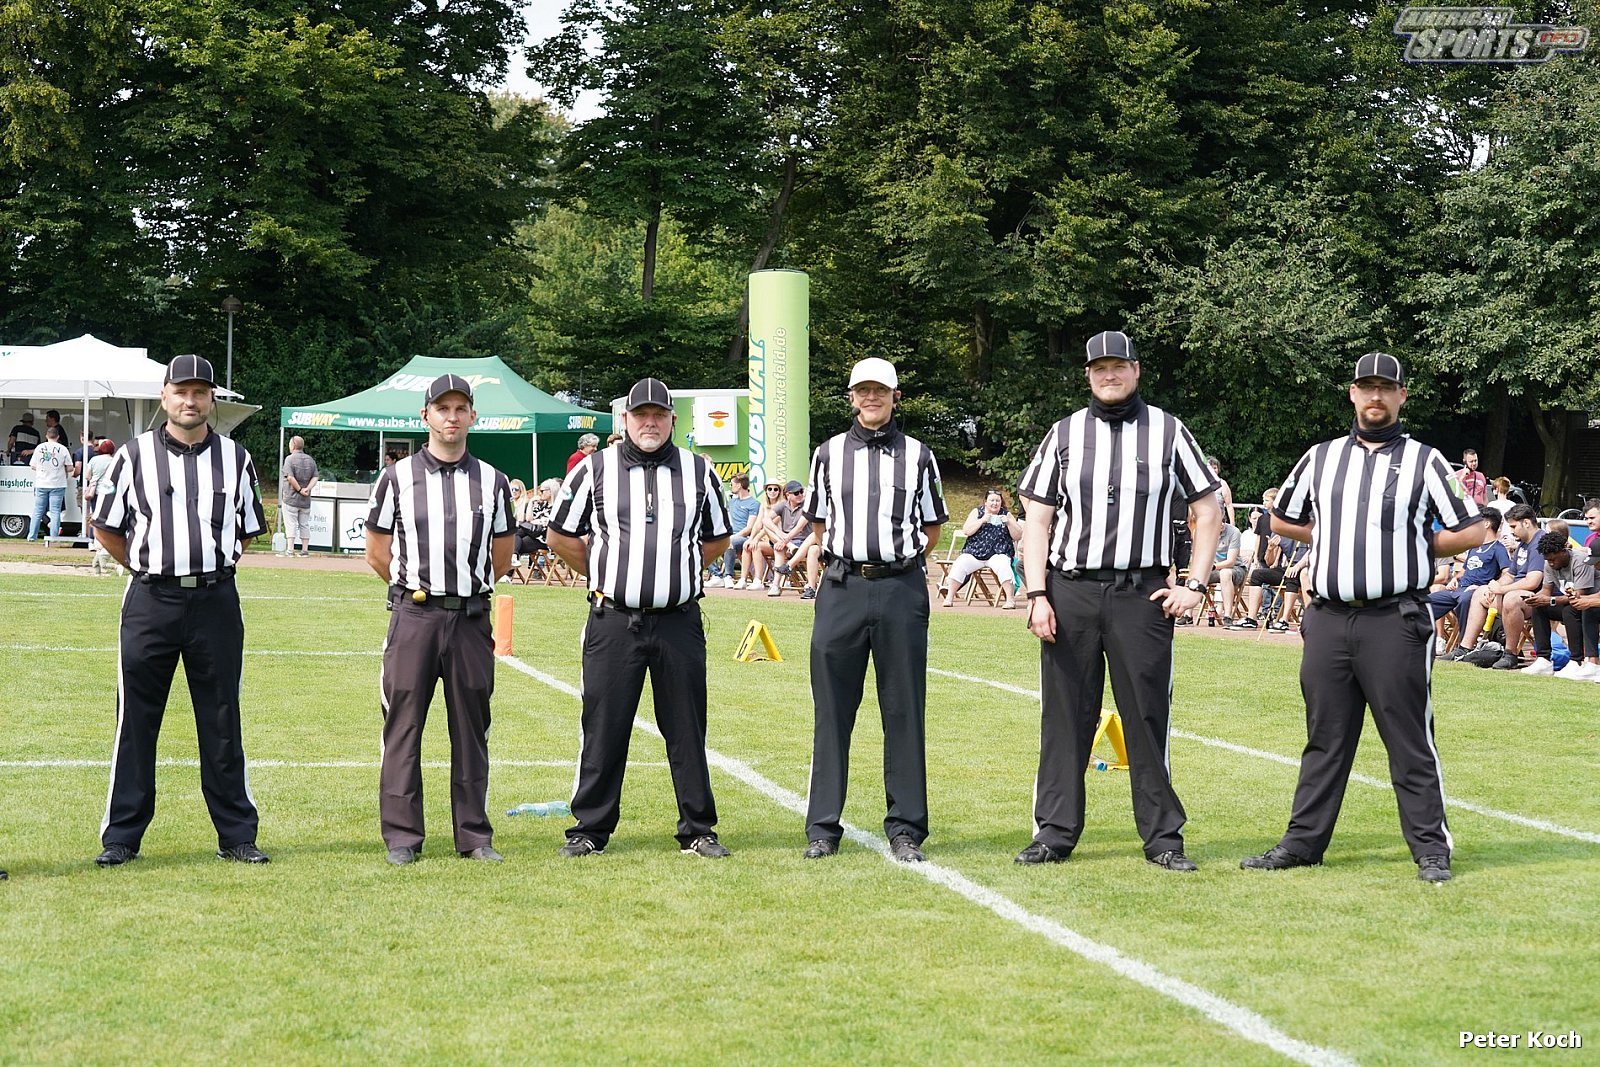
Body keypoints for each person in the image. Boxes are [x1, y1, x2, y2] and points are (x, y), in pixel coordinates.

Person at [1241, 352, 1484, 883]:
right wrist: (1333, 537)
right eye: (1366, 388)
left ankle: (1430, 849)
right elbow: (1282, 519)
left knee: (1408, 737)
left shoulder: (1425, 459)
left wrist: (1417, 545)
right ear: (1352, 393)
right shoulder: (1321, 457)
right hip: (1328, 618)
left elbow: (1471, 528)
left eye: (1386, 389)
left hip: (1394, 619)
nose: (1375, 397)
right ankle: (1303, 844)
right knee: (1324, 737)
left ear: (1401, 396)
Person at [1016, 330, 1220, 871]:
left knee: (1147, 716)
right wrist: (1036, 593)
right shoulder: (1062, 435)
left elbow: (1208, 508)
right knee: (1064, 716)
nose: (1110, 375)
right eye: (1100, 367)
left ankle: (1162, 838)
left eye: (1119, 366)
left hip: (1141, 592)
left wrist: (1194, 585)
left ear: (1137, 370)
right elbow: (1037, 519)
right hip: (1071, 588)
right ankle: (1054, 832)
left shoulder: (1170, 432)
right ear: (1088, 374)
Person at [90, 354, 270, 867]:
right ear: (164, 395)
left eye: (200, 392)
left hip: (215, 600)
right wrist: (151, 570)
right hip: (151, 599)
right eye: (180, 391)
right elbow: (107, 528)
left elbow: (246, 531)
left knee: (221, 717)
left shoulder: (236, 458)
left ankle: (237, 834)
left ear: (213, 399)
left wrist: (210, 569)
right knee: (137, 720)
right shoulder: (133, 456)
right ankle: (121, 837)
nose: (190, 401)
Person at [547, 377, 733, 859]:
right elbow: (561, 536)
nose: (649, 423)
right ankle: (590, 827)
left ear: (673, 419)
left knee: (687, 725)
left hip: (678, 620)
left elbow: (716, 539)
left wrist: (676, 572)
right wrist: (609, 573)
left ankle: (698, 828)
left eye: (659, 415)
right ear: (624, 420)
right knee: (604, 723)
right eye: (639, 415)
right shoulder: (595, 469)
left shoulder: (698, 471)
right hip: (614, 618)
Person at [800, 357, 948, 862]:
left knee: (904, 709)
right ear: (851, 397)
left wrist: (894, 562)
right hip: (842, 586)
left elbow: (931, 529)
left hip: (900, 588)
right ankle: (822, 826)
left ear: (894, 396)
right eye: (862, 391)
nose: (870, 398)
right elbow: (819, 524)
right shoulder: (827, 453)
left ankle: (906, 828)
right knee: (832, 711)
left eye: (879, 391)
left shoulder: (920, 455)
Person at [364, 374, 514, 865]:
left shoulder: (492, 480)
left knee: (471, 727)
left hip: (470, 619)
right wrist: (417, 589)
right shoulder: (397, 477)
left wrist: (462, 589)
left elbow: (502, 555)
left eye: (460, 408)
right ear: (425, 415)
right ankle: (403, 837)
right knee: (403, 725)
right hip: (415, 615)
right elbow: (377, 551)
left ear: (473, 415)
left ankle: (473, 836)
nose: (451, 416)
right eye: (442, 408)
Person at [1519, 531, 1597, 678]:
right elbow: (1546, 590)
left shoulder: (1580, 561)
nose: (1551, 563)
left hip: (1588, 604)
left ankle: (1576, 661)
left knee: (1569, 609)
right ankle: (1544, 660)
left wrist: (1550, 600)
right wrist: (1535, 598)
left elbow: (1580, 596)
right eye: (1548, 560)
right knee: (1539, 607)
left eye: (1553, 559)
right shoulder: (1549, 565)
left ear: (1563, 551)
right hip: (1575, 603)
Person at [943, 488, 1022, 608]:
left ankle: (1010, 600)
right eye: (992, 500)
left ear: (1001, 502)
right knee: (961, 562)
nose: (995, 503)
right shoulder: (977, 512)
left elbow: (1018, 536)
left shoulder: (1006, 514)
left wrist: (1009, 523)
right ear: (985, 502)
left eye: (997, 501)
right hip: (975, 553)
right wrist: (981, 521)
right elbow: (967, 531)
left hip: (998, 553)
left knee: (1003, 565)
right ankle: (949, 597)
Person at [713, 473, 761, 587]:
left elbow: (749, 528)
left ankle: (728, 576)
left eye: (732, 484)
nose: (730, 486)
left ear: (739, 485)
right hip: (729, 535)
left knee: (730, 542)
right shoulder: (731, 502)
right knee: (707, 541)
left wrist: (732, 536)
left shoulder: (754, 503)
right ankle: (716, 574)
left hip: (744, 537)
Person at [27, 425, 72, 541]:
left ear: (46, 436)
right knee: (55, 511)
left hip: (41, 483)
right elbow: (70, 468)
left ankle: (32, 536)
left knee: (37, 510)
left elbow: (33, 466)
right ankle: (54, 537)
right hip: (58, 484)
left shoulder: (39, 448)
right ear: (58, 437)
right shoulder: (63, 449)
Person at [84, 438, 121, 576]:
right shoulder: (115, 461)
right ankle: (104, 545)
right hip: (110, 493)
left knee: (94, 518)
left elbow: (87, 476)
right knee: (108, 519)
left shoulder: (94, 460)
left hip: (96, 493)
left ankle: (94, 542)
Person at [279, 435, 320, 557]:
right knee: (304, 524)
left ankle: (290, 550)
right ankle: (304, 550)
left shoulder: (289, 459)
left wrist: (300, 489)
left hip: (291, 498)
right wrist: (307, 489)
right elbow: (315, 476)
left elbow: (290, 477)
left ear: (292, 445)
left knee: (290, 523)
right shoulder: (310, 459)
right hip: (305, 500)